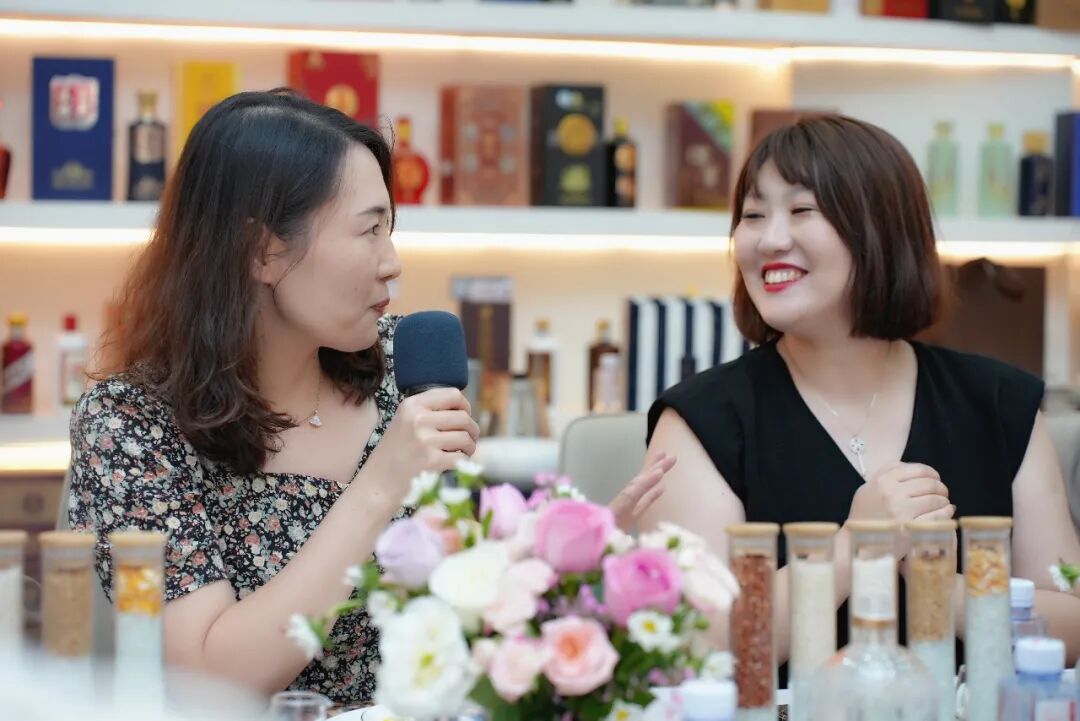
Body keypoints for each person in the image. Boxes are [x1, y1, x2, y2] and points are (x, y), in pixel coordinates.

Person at [68, 90, 673, 704]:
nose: (393, 263)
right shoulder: (131, 423)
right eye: (369, 230)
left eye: (390, 228)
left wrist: (566, 569)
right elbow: (205, 683)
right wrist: (381, 484)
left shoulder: (399, 366)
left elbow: (467, 614)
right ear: (263, 251)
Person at [640, 115, 1080, 665]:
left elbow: (1070, 621)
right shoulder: (699, 421)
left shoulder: (999, 403)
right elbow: (689, 643)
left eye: (802, 210)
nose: (769, 240)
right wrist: (857, 547)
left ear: (881, 231)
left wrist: (939, 588)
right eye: (753, 216)